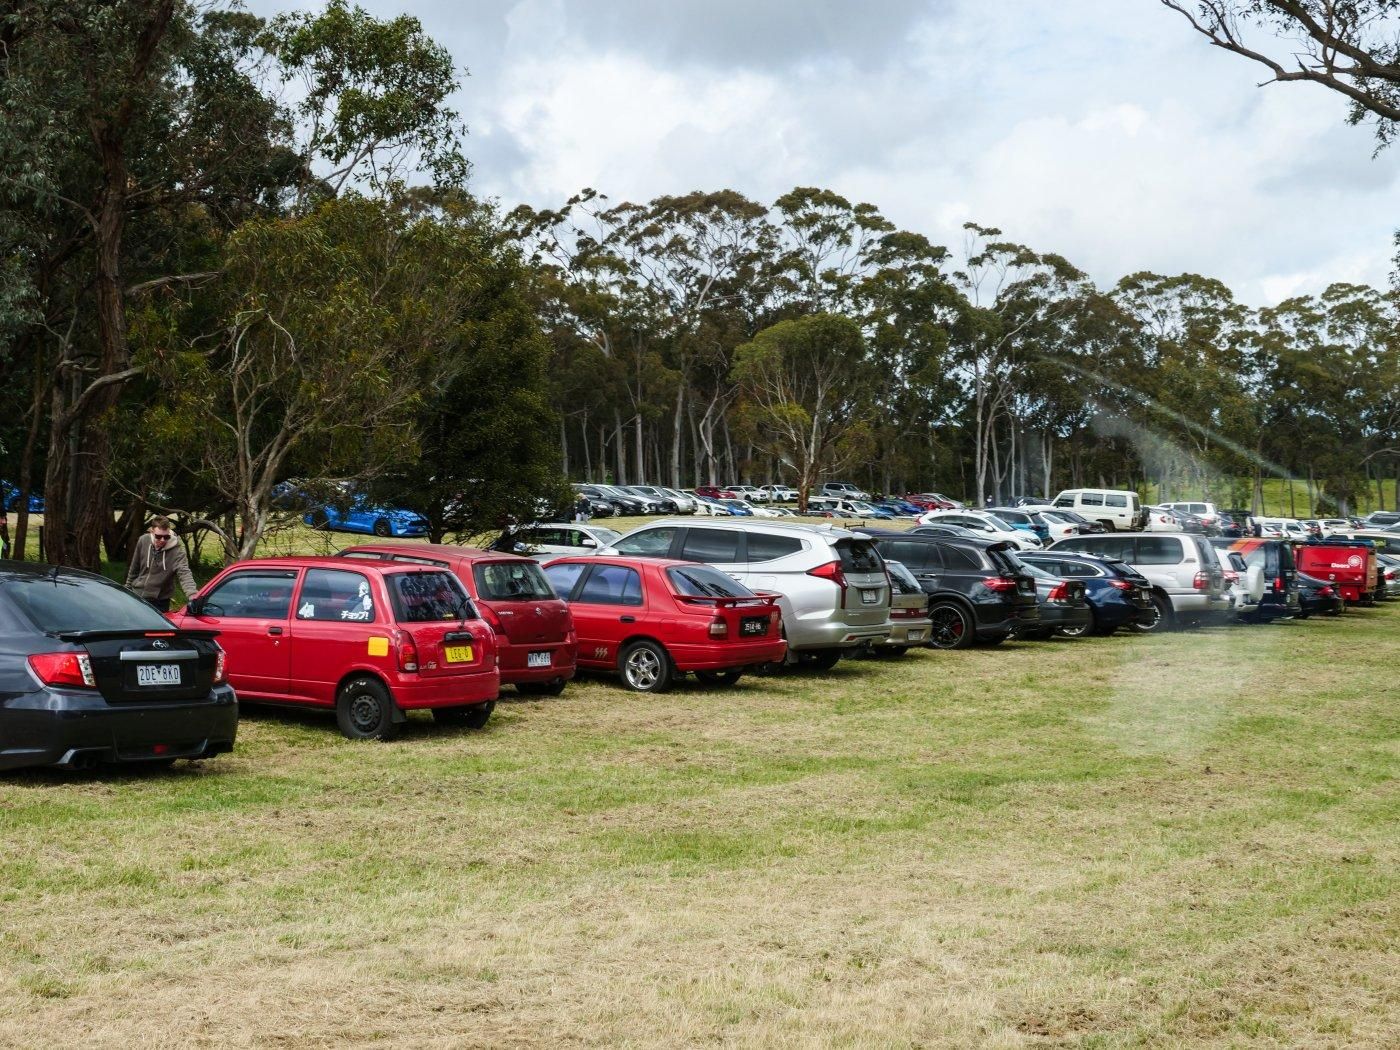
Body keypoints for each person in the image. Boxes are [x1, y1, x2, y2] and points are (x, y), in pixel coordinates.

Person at [125, 516, 199, 613]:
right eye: (158, 536)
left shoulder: (177, 552)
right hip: (137, 595)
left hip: (160, 601)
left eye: (166, 536)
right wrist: (127, 589)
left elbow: (184, 573)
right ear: (152, 532)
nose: (163, 540)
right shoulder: (143, 541)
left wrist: (192, 595)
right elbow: (134, 568)